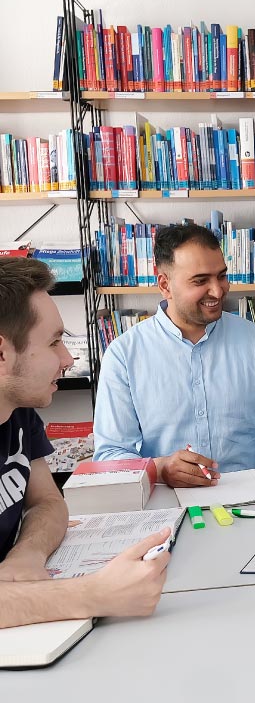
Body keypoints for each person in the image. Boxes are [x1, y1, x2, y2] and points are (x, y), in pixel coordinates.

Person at [0, 257, 169, 628]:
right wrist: (94, 594)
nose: (67, 358)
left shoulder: (17, 411)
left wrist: (27, 553)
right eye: (55, 341)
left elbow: (48, 501)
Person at [93, 224, 255, 487]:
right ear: (165, 285)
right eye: (200, 281)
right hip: (168, 503)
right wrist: (160, 468)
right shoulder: (123, 356)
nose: (218, 291)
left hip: (254, 499)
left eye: (221, 276)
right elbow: (111, 456)